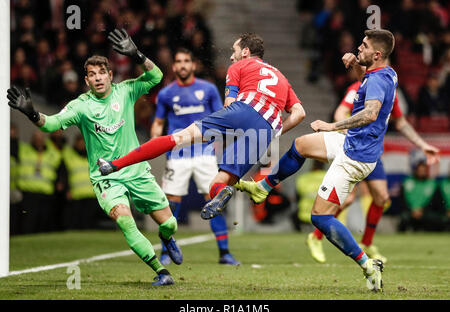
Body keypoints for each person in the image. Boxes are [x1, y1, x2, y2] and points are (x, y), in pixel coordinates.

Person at [7, 28, 181, 286]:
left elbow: (156, 76)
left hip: (135, 169)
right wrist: (33, 114)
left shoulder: (126, 91)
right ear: (86, 81)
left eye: (102, 73)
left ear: (111, 75)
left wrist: (136, 54)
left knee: (170, 225)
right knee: (125, 221)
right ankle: (161, 271)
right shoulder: (81, 106)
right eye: (92, 74)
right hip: (106, 177)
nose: (98, 78)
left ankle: (167, 238)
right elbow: (51, 124)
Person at [235, 29, 405, 292]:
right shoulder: (387, 73)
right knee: (301, 145)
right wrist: (357, 60)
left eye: (364, 45)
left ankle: (367, 265)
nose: (358, 47)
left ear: (378, 54)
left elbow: (370, 114)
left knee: (320, 218)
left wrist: (332, 125)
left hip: (355, 156)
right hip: (354, 142)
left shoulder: (378, 81)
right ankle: (263, 188)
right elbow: (371, 80)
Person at [98, 32, 306, 221]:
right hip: (266, 128)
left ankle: (115, 164)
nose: (232, 57)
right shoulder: (281, 77)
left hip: (244, 109)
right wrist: (273, 131)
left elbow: (229, 105)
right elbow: (299, 114)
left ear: (245, 51)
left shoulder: (239, 66)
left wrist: (229, 128)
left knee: (177, 139)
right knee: (219, 181)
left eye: (234, 51)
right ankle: (222, 193)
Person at [306, 72, 441, 264]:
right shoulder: (358, 88)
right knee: (348, 199)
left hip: (373, 154)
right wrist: (348, 132)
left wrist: (422, 144)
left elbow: (401, 123)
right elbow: (339, 112)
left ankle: (367, 242)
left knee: (381, 197)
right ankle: (316, 236)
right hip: (352, 151)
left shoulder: (388, 93)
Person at [152, 47, 240, 265]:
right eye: (179, 61)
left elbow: (221, 118)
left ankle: (224, 253)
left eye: (186, 61)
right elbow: (158, 123)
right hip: (177, 155)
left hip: (204, 154)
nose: (182, 65)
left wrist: (219, 147)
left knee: (214, 200)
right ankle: (166, 252)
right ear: (174, 66)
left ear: (193, 65)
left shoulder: (208, 89)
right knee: (171, 204)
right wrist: (155, 145)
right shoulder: (166, 94)